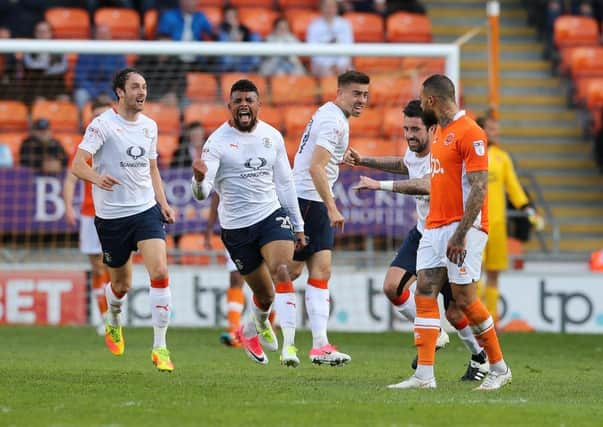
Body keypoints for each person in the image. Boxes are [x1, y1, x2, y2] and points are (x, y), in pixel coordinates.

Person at [348, 99, 489, 382]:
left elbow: (428, 184)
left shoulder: (443, 152)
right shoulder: (415, 150)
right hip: (424, 232)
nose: (409, 135)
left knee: (456, 308)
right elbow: (404, 165)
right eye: (406, 129)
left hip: (450, 233)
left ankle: (482, 359)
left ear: (433, 129)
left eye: (415, 129)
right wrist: (366, 160)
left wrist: (380, 185)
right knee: (392, 287)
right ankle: (433, 332)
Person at [388, 74, 511, 390]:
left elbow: (480, 187)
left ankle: (499, 367)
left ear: (431, 100)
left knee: (465, 300)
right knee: (424, 292)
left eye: (421, 97)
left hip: (463, 228)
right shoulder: (440, 132)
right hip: (434, 226)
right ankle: (424, 376)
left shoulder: (471, 133)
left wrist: (460, 234)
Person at [191, 79, 306, 366]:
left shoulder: (272, 137)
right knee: (264, 296)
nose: (244, 104)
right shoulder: (216, 142)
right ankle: (250, 330)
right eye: (238, 100)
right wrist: (198, 179)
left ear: (258, 105)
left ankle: (290, 347)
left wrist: (298, 224)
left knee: (283, 269)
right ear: (229, 106)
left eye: (249, 100)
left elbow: (285, 183)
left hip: (270, 215)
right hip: (236, 228)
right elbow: (204, 194)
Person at [72, 68, 177, 372]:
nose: (141, 92)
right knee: (121, 285)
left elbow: (152, 168)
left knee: (159, 270)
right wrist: (96, 177)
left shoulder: (150, 126)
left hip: (145, 210)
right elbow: (78, 165)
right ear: (120, 91)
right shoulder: (102, 125)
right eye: (135, 87)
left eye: (144, 86)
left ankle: (160, 346)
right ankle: (113, 318)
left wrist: (163, 203)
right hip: (112, 218)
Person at [287, 70, 369, 366]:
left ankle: (320, 344)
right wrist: (332, 206)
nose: (362, 100)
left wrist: (340, 156)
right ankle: (251, 325)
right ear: (341, 92)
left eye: (366, 95)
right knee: (292, 272)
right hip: (309, 201)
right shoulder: (334, 121)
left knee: (312, 271)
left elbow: (319, 158)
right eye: (357, 94)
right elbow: (315, 168)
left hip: (308, 199)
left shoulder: (330, 115)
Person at [476, 114, 543, 327]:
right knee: (474, 273)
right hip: (474, 224)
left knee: (493, 272)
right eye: (493, 129)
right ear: (482, 130)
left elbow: (513, 187)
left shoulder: (502, 157)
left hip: (497, 224)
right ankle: (476, 318)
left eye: (497, 129)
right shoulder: (471, 154)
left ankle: (492, 320)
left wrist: (528, 209)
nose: (497, 133)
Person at [64, 98, 113, 336]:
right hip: (88, 214)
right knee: (96, 267)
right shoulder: (85, 148)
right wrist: (68, 205)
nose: (99, 120)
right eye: (96, 115)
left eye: (103, 115)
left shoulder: (118, 143)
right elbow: (71, 178)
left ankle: (114, 311)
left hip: (114, 213)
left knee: (113, 265)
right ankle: (104, 317)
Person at [204, 192, 245, 348]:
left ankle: (270, 326)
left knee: (266, 281)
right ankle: (234, 331)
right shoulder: (224, 167)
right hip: (233, 227)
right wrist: (209, 230)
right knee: (235, 278)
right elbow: (216, 196)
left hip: (263, 224)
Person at [73, 25, 127, 108]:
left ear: (110, 36)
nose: (103, 37)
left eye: (105, 34)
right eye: (100, 34)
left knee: (126, 95)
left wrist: (107, 93)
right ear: (95, 36)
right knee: (80, 95)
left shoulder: (117, 53)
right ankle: (81, 121)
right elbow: (80, 78)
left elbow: (122, 78)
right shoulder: (85, 52)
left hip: (111, 90)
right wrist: (97, 94)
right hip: (90, 90)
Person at [21, 21, 69, 103]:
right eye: (39, 31)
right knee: (39, 102)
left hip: (55, 84)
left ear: (51, 33)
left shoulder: (60, 47)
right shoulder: (28, 47)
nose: (42, 34)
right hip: (36, 85)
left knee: (64, 99)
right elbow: (29, 64)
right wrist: (47, 65)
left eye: (45, 31)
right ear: (35, 33)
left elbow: (63, 67)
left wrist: (45, 68)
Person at [306, 0, 354, 77]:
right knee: (327, 75)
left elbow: (349, 47)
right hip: (321, 65)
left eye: (332, 6)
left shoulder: (345, 24)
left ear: (336, 8)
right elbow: (313, 51)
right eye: (326, 7)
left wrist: (339, 64)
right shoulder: (314, 26)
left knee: (349, 76)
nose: (329, 9)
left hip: (342, 64)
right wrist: (328, 65)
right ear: (321, 8)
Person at [216, 6, 261, 73]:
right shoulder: (221, 28)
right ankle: (229, 67)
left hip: (242, 54)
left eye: (232, 15)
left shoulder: (242, 27)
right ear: (224, 17)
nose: (230, 17)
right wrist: (232, 29)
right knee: (223, 36)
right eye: (228, 15)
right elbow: (219, 37)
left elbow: (247, 37)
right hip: (229, 55)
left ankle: (255, 65)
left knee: (255, 36)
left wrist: (236, 28)